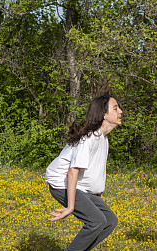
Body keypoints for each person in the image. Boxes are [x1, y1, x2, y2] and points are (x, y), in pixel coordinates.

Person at [45, 94, 122, 251]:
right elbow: (72, 172)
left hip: (80, 187)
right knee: (97, 221)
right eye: (115, 108)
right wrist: (70, 207)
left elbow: (96, 169)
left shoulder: (103, 138)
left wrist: (98, 195)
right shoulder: (89, 138)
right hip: (61, 183)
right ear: (104, 115)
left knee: (109, 220)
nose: (120, 111)